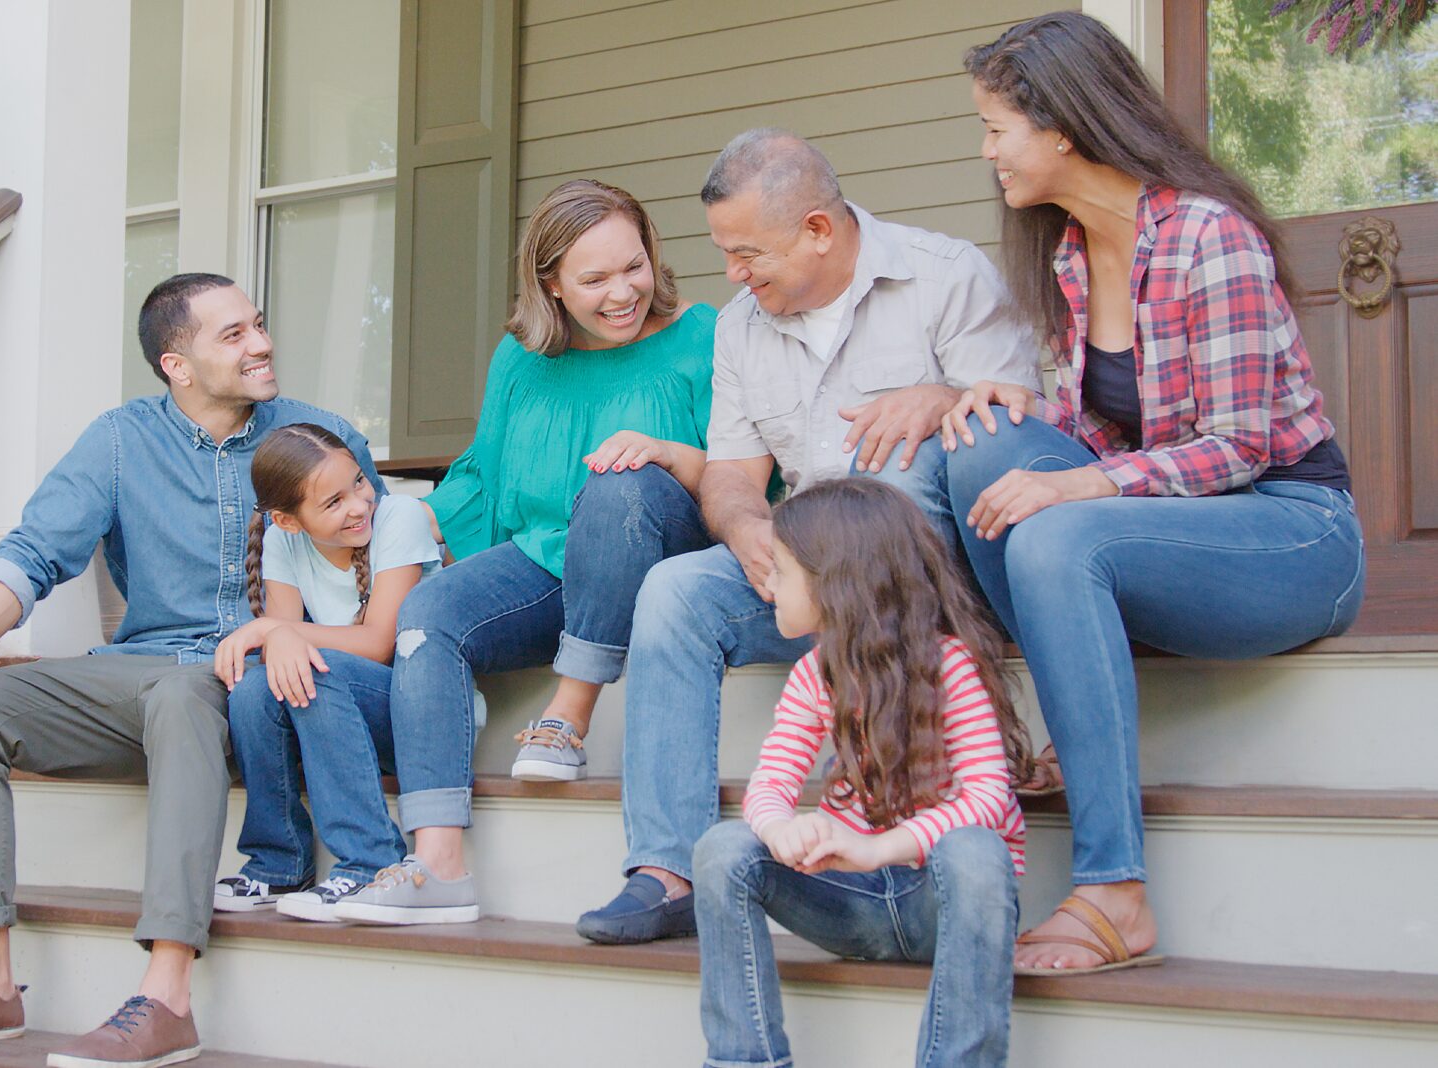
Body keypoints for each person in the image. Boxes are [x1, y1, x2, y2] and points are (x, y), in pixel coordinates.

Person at [940, 12, 1364, 975]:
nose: (987, 151)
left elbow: (1241, 446)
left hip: (1293, 531)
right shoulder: (1067, 260)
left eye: (996, 127)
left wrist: (1085, 483)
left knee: (1055, 537)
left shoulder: (1208, 236)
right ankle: (1074, 696)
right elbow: (1095, 445)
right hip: (1173, 531)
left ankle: (1115, 892)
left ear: (1062, 126)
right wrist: (1015, 414)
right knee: (981, 450)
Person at [0, 274, 383, 1066]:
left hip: (257, 682)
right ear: (177, 364)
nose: (262, 343)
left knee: (184, 693)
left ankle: (167, 995)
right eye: (234, 335)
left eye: (259, 325)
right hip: (139, 673)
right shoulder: (119, 441)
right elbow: (32, 554)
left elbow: (378, 564)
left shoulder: (315, 435)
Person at [578, 128, 1042, 945]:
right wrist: (749, 525)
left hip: (917, 592)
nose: (732, 274)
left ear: (819, 231)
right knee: (676, 591)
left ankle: (896, 847)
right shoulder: (740, 328)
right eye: (725, 251)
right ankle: (668, 869)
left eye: (747, 252)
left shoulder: (944, 279)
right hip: (805, 575)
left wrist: (939, 395)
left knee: (896, 479)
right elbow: (729, 473)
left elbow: (1017, 428)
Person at [328, 179, 717, 924]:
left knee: (617, 480)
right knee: (430, 612)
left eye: (633, 267)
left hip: (664, 560)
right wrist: (394, 527)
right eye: (594, 279)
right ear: (552, 284)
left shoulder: (702, 334)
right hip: (552, 566)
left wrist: (664, 452)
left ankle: (568, 714)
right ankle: (438, 861)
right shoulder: (520, 359)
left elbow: (742, 477)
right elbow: (481, 475)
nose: (622, 292)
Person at [694, 477, 1030, 1068]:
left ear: (835, 583)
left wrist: (880, 849)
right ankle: (744, 1060)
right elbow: (771, 784)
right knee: (723, 847)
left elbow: (988, 794)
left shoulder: (950, 665)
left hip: (939, 905)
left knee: (977, 851)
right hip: (850, 904)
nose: (767, 583)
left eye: (781, 569)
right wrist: (781, 830)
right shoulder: (811, 677)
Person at [208, 423, 441, 918]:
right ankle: (279, 862)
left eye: (358, 483)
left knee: (315, 668)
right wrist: (277, 632)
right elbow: (284, 644)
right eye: (333, 503)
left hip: (426, 717)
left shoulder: (400, 518)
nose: (358, 505)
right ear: (289, 521)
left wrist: (274, 629)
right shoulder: (282, 541)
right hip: (349, 713)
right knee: (253, 690)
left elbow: (378, 644)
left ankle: (370, 863)